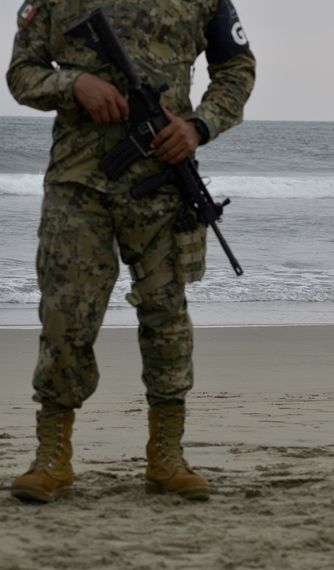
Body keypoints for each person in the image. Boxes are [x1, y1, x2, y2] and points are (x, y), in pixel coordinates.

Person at [7, 0, 256, 502]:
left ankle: (167, 456)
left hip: (166, 185)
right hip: (78, 184)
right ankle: (52, 457)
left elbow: (237, 67)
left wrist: (199, 126)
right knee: (66, 317)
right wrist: (73, 84)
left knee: (167, 319)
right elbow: (22, 73)